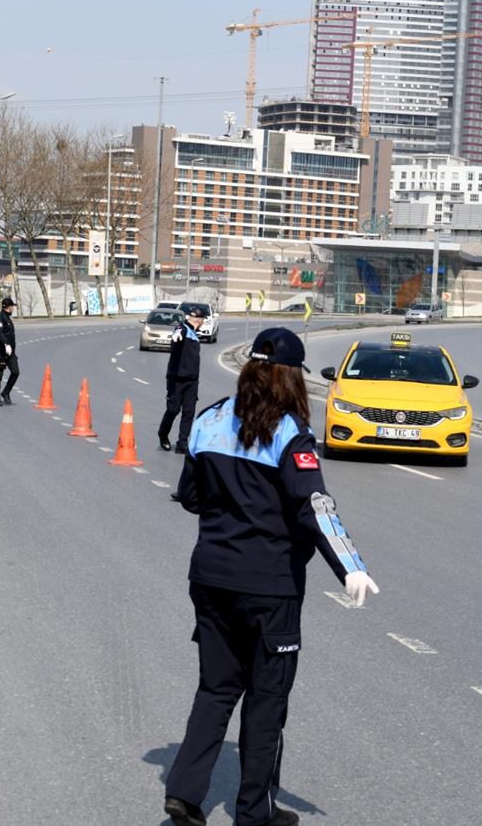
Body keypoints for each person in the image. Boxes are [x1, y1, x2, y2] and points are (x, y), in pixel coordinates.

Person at [163, 327, 379, 826]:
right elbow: (314, 507)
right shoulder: (289, 433)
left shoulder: (210, 418)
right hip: (270, 589)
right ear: (291, 378)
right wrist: (350, 566)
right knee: (266, 703)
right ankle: (254, 814)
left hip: (211, 578)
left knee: (215, 690)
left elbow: (191, 496)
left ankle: (183, 791)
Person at [159, 307, 205, 453]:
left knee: (189, 412)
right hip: (176, 379)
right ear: (200, 320)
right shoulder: (182, 328)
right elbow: (178, 335)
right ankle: (163, 435)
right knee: (173, 409)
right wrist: (176, 338)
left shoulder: (195, 334)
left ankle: (182, 443)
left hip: (192, 381)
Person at [0, 297, 18, 406]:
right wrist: (6, 344)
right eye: (12, 307)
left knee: (15, 372)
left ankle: (6, 392)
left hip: (10, 353)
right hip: (0, 352)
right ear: (8, 307)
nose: (13, 309)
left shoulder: (8, 318)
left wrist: (11, 348)